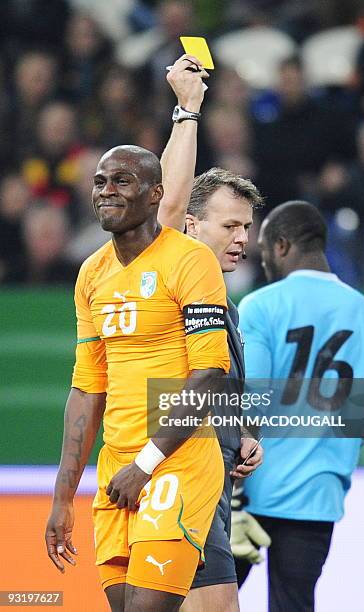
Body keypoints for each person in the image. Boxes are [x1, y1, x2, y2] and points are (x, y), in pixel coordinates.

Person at [45, 143, 232, 611]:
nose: (106, 192)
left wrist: (145, 465)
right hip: (116, 470)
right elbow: (87, 388)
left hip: (176, 464)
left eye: (122, 181)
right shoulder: (92, 273)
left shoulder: (190, 260)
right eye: (100, 182)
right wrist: (63, 495)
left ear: (155, 195)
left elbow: (208, 374)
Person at [234, 200, 364, 611]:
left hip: (248, 494)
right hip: (317, 496)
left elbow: (251, 403)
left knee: (208, 601)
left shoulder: (261, 305)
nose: (263, 260)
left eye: (265, 249)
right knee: (295, 603)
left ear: (282, 246)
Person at [158, 55, 267, 612]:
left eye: (247, 227)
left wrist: (241, 432)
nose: (243, 238)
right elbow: (168, 204)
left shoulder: (223, 301)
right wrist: (187, 110)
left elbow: (215, 387)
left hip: (213, 484)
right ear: (191, 227)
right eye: (231, 225)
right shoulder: (170, 272)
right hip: (179, 481)